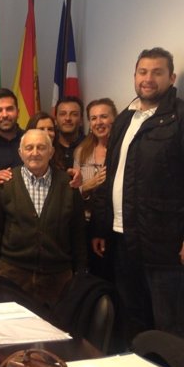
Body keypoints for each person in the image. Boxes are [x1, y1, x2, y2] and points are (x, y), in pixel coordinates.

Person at [91, 48, 184, 342]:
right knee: (133, 323)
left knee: (170, 329)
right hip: (123, 241)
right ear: (135, 76)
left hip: (168, 247)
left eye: (157, 72)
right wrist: (101, 227)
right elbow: (111, 176)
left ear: (171, 77)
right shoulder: (125, 120)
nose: (148, 79)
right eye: (143, 72)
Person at [0, 129, 86, 306]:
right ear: (20, 152)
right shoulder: (6, 183)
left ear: (51, 152)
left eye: (41, 147)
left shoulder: (68, 184)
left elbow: (78, 233)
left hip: (58, 279)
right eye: (29, 147)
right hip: (13, 275)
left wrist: (80, 272)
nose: (35, 153)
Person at [74, 98, 117, 280]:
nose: (99, 122)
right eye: (93, 118)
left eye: (104, 116)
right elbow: (74, 192)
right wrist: (89, 185)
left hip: (114, 225)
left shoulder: (123, 149)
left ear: (115, 118)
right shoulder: (82, 150)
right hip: (87, 224)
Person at [54, 96, 85, 169]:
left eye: (74, 114)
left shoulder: (90, 145)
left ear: (81, 120)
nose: (68, 118)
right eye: (62, 114)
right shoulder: (49, 145)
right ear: (55, 119)